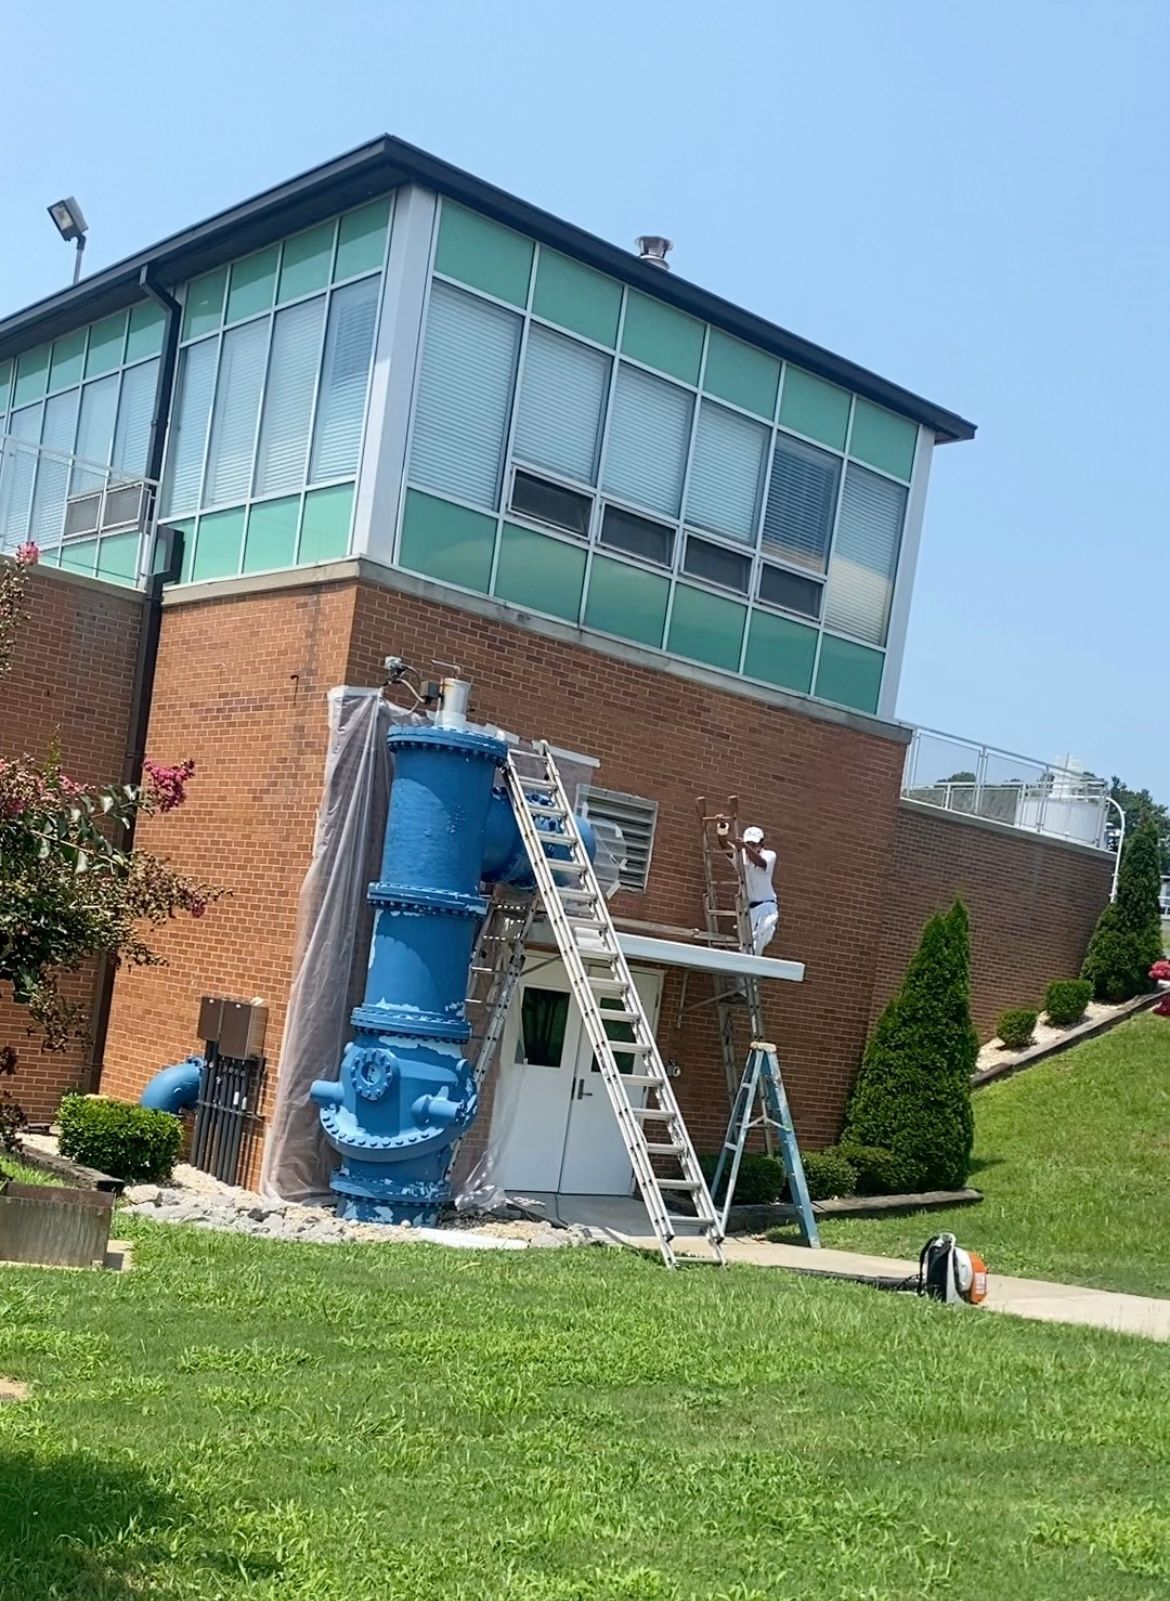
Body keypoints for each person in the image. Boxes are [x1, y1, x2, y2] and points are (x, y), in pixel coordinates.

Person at [736, 824, 778, 954]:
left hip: (766, 908)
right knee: (745, 948)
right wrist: (722, 830)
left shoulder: (769, 855)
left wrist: (744, 846)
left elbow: (761, 863)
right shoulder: (742, 858)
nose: (751, 848)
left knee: (757, 944)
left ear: (761, 844)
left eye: (753, 845)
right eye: (749, 844)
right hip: (749, 910)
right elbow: (726, 848)